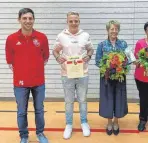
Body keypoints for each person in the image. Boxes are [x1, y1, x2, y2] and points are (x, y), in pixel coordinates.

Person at [5, 8, 49, 143]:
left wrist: (34, 70)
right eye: (24, 18)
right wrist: (23, 72)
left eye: (30, 18)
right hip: (20, 83)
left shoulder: (42, 37)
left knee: (39, 110)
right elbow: (10, 61)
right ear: (19, 20)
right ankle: (24, 136)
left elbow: (45, 57)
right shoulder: (11, 39)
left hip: (38, 82)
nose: (28, 21)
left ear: (34, 20)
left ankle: (40, 133)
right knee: (21, 112)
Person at [52, 11, 94, 139]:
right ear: (67, 22)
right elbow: (55, 50)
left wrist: (89, 55)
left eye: (76, 21)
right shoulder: (61, 36)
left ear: (79, 21)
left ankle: (84, 122)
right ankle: (69, 124)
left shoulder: (85, 35)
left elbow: (90, 49)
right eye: (71, 21)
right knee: (69, 101)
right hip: (66, 74)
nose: (73, 23)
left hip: (83, 73)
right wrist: (58, 57)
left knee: (82, 100)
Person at [95, 20, 128, 136]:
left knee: (119, 99)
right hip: (107, 76)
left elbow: (128, 60)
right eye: (112, 29)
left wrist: (122, 64)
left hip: (120, 76)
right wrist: (107, 66)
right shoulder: (101, 45)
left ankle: (116, 122)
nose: (114, 31)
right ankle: (109, 122)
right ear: (107, 30)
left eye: (116, 29)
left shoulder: (123, 44)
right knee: (108, 99)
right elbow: (97, 61)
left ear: (118, 30)